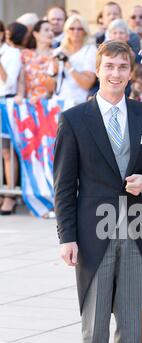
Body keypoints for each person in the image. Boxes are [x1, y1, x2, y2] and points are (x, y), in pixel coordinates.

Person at [54, 40, 142, 343]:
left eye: (123, 67)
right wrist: (67, 236)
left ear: (131, 72)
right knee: (96, 324)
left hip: (135, 227)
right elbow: (64, 186)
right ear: (98, 69)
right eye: (110, 67)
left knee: (132, 324)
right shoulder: (74, 120)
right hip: (93, 230)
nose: (116, 73)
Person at [0, 21, 22, 215]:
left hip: (5, 103)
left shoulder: (12, 53)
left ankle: (10, 195)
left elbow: (8, 83)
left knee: (7, 151)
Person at [54, 15, 97, 108]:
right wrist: (54, 70)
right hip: (58, 102)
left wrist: (69, 66)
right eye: (72, 28)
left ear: (85, 31)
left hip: (79, 102)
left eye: (79, 29)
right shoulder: (58, 51)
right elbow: (49, 87)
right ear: (66, 31)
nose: (75, 32)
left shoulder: (90, 50)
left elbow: (87, 84)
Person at [16, 20, 56, 104]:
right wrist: (20, 95)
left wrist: (43, 97)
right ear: (35, 34)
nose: (51, 33)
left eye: (52, 30)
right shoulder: (26, 54)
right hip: (27, 102)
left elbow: (56, 83)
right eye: (46, 30)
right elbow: (21, 80)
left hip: (48, 103)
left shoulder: (56, 55)